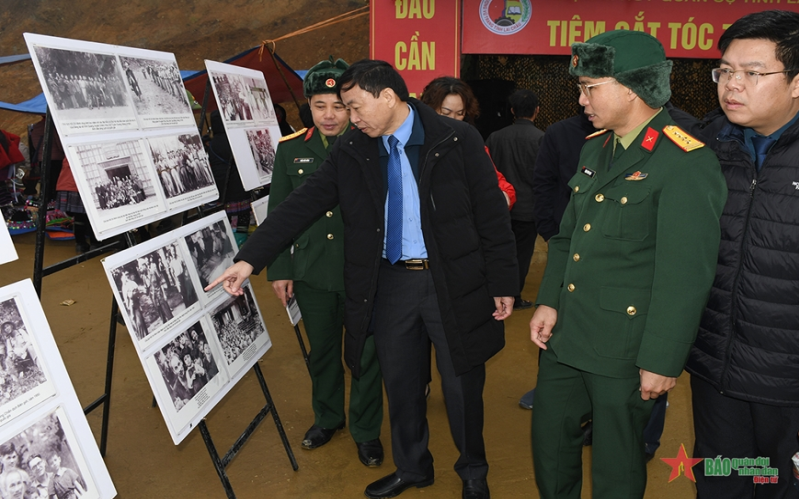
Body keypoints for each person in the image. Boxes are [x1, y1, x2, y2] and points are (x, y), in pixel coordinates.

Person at [207, 59, 517, 499]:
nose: (349, 118)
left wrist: (503, 282)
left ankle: (472, 472)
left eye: (355, 107)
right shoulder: (355, 147)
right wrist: (250, 259)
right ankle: (413, 467)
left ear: (387, 97)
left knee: (462, 382)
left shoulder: (457, 138)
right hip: (391, 283)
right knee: (402, 382)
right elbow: (304, 202)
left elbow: (491, 215)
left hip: (454, 279)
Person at [528, 30, 727, 499]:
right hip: (567, 335)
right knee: (550, 445)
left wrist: (662, 359)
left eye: (590, 87)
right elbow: (567, 237)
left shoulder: (684, 162)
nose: (581, 100)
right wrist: (548, 301)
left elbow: (686, 275)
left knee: (617, 466)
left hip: (624, 347)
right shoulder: (596, 147)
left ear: (632, 87)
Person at [684, 10, 799, 499]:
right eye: (725, 71)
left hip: (788, 384)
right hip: (717, 372)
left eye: (753, 73)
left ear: (796, 82)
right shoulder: (704, 149)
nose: (732, 84)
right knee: (726, 484)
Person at [265, 57, 385, 467]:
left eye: (338, 105)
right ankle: (328, 418)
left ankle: (366, 430)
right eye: (320, 106)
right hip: (313, 271)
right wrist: (280, 269)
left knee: (366, 353)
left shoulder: (372, 143)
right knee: (322, 353)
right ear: (308, 107)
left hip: (364, 271)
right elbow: (279, 212)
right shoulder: (290, 150)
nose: (330, 116)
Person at [485, 90, 545, 310]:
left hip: (499, 206)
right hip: (528, 209)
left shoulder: (495, 137)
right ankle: (514, 295)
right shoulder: (541, 138)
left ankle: (494, 292)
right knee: (521, 255)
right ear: (537, 111)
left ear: (511, 111)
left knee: (498, 251)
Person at [420, 76, 517, 209]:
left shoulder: (471, 144)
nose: (453, 120)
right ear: (429, 109)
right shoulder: (416, 143)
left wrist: (500, 200)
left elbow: (502, 187)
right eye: (445, 113)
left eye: (460, 113)